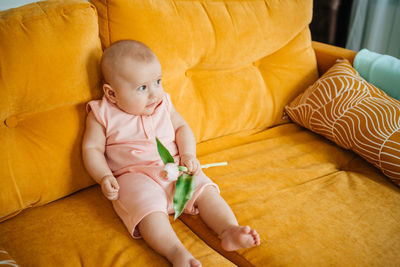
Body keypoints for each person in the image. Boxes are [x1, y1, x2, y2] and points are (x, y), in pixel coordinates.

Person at [82, 40, 260, 267]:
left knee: (205, 191)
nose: (154, 93)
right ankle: (176, 253)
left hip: (177, 167)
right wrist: (104, 177)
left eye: (157, 81)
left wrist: (187, 155)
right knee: (147, 211)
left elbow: (181, 128)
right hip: (134, 176)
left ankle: (228, 230)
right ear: (112, 93)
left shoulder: (163, 103)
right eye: (142, 88)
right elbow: (92, 149)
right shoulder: (101, 113)